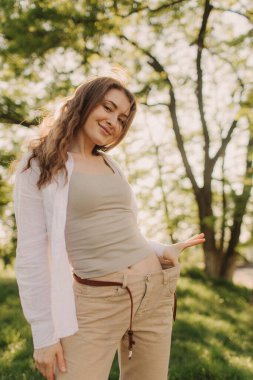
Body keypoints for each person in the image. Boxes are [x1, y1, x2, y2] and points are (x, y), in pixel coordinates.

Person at [13, 75, 205, 380]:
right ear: (85, 102)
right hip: (96, 301)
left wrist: (162, 250)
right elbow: (31, 254)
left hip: (156, 292)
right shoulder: (39, 164)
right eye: (108, 107)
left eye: (122, 118)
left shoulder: (112, 165)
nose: (113, 121)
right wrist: (44, 336)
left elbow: (124, 230)